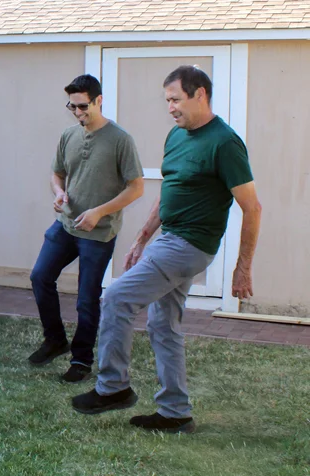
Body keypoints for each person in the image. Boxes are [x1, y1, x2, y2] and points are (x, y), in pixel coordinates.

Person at [72, 66, 262, 433]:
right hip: (169, 239)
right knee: (163, 324)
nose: (170, 107)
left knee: (116, 298)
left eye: (175, 100)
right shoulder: (177, 135)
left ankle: (113, 387)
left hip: (190, 244)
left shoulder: (224, 143)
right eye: (167, 101)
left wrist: (242, 268)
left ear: (200, 95)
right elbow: (169, 191)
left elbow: (252, 208)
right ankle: (176, 412)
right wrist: (142, 238)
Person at [28, 74, 144, 382]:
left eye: (83, 106)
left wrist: (99, 212)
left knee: (86, 298)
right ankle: (55, 340)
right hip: (65, 225)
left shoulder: (120, 140)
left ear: (98, 101)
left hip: (99, 232)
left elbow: (136, 188)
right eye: (72, 106)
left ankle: (81, 360)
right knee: (40, 277)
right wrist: (59, 193)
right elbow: (56, 174)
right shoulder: (68, 135)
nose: (78, 112)